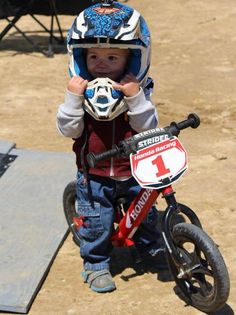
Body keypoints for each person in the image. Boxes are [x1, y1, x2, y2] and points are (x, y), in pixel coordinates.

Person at [57, 0, 165, 293]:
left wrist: (135, 98)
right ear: (80, 58)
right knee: (95, 221)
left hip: (134, 171)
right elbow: (69, 129)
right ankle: (95, 264)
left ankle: (149, 249)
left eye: (112, 58)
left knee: (146, 214)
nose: (101, 64)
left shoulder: (137, 90)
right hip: (94, 174)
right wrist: (73, 99)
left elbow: (148, 127)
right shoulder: (80, 90)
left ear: (131, 61)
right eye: (93, 56)